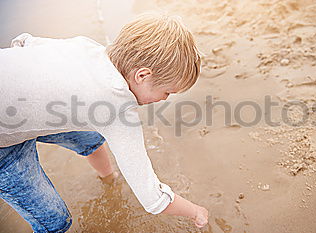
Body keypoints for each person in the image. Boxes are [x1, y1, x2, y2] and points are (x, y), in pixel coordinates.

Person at [0, 14, 208, 232]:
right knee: (55, 221)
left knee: (92, 137)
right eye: (167, 92)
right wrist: (195, 211)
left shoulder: (86, 46)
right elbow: (153, 200)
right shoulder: (117, 112)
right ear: (142, 75)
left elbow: (24, 41)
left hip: (21, 103)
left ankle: (109, 179)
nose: (164, 99)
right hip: (4, 141)